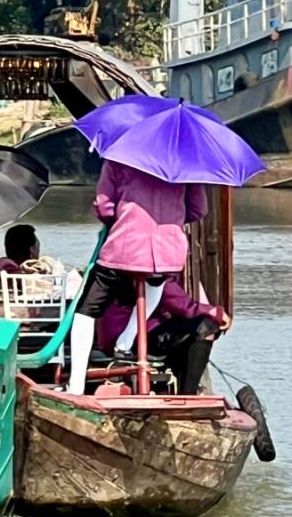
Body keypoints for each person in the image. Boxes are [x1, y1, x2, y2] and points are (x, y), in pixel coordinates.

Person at [67, 160, 207, 395]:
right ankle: (126, 340)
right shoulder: (185, 164)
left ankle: (76, 386)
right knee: (155, 283)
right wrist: (170, 220)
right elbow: (198, 209)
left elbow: (103, 206)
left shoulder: (119, 159)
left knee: (86, 311)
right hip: (167, 251)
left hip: (125, 245)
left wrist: (121, 218)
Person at [97, 278, 231, 395]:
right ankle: (188, 394)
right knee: (207, 326)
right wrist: (214, 312)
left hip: (119, 332)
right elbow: (174, 299)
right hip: (131, 334)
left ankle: (171, 389)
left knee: (187, 329)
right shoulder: (155, 263)